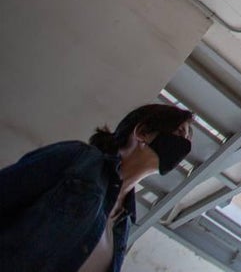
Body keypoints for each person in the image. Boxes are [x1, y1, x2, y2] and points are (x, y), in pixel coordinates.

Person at [0, 103, 194, 272]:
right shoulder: (79, 159)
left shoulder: (124, 223)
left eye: (188, 140)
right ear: (142, 132)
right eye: (179, 133)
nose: (184, 146)